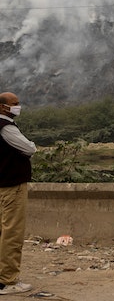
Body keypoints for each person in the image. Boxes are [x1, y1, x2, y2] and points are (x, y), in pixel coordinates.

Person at [0, 92, 37, 295]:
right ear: (2, 107)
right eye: (14, 104)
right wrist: (30, 148)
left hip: (2, 186)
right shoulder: (6, 128)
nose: (18, 107)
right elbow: (29, 148)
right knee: (12, 233)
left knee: (2, 232)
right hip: (12, 187)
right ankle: (7, 280)